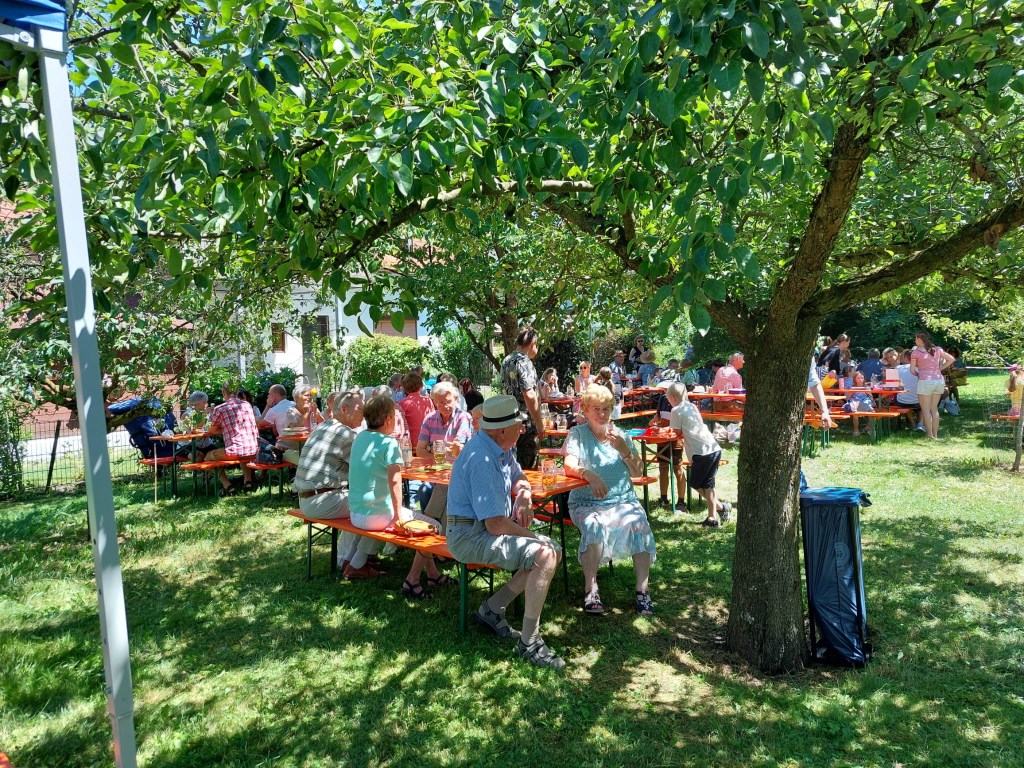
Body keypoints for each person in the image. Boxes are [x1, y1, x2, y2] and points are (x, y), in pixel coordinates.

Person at [446, 395, 565, 668]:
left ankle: (492, 609)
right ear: (501, 430)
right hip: (468, 536)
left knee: (552, 551)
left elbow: (518, 475)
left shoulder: (499, 446)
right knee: (546, 554)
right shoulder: (482, 458)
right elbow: (496, 525)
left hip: (481, 530)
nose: (522, 429)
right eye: (518, 425)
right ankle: (529, 643)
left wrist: (523, 494)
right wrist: (536, 539)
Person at [562, 385, 656, 616]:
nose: (602, 413)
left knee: (639, 523)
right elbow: (569, 465)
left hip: (623, 500)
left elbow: (637, 472)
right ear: (585, 410)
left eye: (606, 408)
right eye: (596, 408)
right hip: (586, 502)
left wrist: (624, 450)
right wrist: (589, 475)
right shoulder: (578, 434)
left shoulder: (621, 435)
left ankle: (643, 591)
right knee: (594, 526)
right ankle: (591, 589)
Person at [348, 394, 449, 593]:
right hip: (376, 516)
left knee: (420, 522)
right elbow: (395, 481)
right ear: (388, 419)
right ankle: (412, 580)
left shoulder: (360, 437)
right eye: (395, 417)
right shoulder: (388, 443)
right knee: (435, 527)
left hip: (356, 513)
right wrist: (397, 517)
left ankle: (433, 574)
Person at [294, 390, 366, 566]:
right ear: (344, 409)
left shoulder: (323, 427)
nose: (363, 414)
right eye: (360, 409)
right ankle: (351, 562)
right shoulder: (346, 434)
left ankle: (352, 558)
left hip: (307, 499)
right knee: (374, 507)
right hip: (323, 500)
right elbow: (366, 470)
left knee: (362, 503)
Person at [663, 383, 732, 525]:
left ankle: (720, 508)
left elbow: (677, 432)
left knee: (696, 483)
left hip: (701, 452)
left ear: (673, 398)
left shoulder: (676, 410)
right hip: (713, 448)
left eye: (668, 399)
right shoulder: (692, 406)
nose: (668, 402)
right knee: (708, 484)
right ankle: (713, 517)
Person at [415, 381, 474, 530]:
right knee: (424, 489)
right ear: (434, 402)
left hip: (459, 473)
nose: (444, 406)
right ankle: (438, 530)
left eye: (448, 401)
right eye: (440, 402)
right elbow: (420, 450)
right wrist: (439, 451)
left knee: (445, 489)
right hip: (436, 473)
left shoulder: (463, 417)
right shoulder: (429, 418)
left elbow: (457, 448)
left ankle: (430, 524)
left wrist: (432, 447)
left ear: (456, 399)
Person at [499, 326, 547, 469]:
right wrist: (539, 423)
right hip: (526, 425)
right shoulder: (525, 362)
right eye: (537, 345)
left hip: (508, 421)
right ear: (533, 343)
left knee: (510, 466)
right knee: (527, 469)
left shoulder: (507, 360)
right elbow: (529, 395)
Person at [205, 381, 259, 494]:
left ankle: (227, 486)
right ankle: (248, 482)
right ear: (236, 391)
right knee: (242, 449)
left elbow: (210, 429)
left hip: (234, 452)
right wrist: (226, 428)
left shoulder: (220, 408)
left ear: (223, 392)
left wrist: (223, 429)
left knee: (208, 457)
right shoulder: (247, 405)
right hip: (253, 450)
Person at [910, 331, 954, 440]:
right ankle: (936, 435)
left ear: (920, 340)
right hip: (938, 380)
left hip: (925, 381)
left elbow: (912, 370)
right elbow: (951, 359)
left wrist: (918, 374)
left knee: (926, 410)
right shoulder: (937, 350)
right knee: (934, 409)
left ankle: (929, 435)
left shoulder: (915, 353)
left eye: (916, 339)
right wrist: (940, 368)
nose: (915, 341)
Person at [276, 383, 324, 465]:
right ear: (297, 397)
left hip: (307, 447)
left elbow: (324, 424)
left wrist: (316, 413)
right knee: (308, 462)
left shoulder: (313, 409)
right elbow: (295, 430)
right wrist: (306, 413)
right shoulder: (291, 412)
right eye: (306, 395)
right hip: (288, 449)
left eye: (310, 395)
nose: (309, 398)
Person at [397, 372, 435, 446]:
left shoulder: (402, 403)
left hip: (411, 441)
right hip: (426, 440)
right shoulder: (427, 400)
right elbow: (433, 419)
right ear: (421, 386)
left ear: (404, 387)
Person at [176, 391, 215, 460]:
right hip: (187, 445)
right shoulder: (187, 415)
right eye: (205, 402)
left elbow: (214, 426)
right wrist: (204, 414)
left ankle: (212, 466)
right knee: (198, 457)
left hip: (205, 444)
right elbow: (196, 429)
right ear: (197, 404)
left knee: (218, 454)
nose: (207, 404)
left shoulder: (206, 413)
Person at [895, 350, 923, 430]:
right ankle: (920, 424)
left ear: (906, 358)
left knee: (905, 402)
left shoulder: (898, 368)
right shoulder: (920, 369)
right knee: (925, 403)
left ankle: (913, 423)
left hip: (902, 401)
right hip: (918, 401)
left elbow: (892, 384)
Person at [843, 371, 876, 437]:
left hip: (865, 403)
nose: (860, 380)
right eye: (858, 378)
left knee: (872, 411)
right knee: (855, 414)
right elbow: (847, 398)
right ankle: (856, 430)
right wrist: (851, 392)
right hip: (855, 403)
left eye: (862, 378)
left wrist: (867, 392)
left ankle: (869, 427)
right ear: (855, 379)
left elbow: (871, 398)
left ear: (864, 379)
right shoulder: (852, 387)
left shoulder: (866, 387)